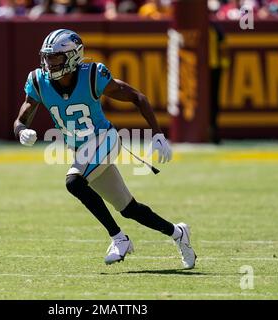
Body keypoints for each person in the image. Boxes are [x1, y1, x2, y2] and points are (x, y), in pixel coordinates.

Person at [13, 29, 197, 268]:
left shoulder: (92, 76)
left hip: (105, 140)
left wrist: (158, 135)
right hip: (82, 150)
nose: (49, 63)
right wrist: (20, 131)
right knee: (129, 208)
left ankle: (119, 238)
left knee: (74, 182)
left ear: (72, 56)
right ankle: (178, 233)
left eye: (56, 57)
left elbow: (138, 97)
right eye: (47, 57)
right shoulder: (38, 81)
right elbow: (22, 117)